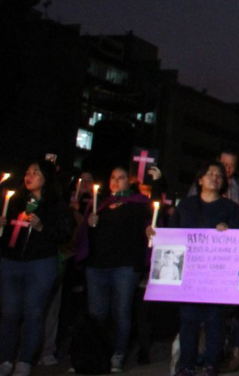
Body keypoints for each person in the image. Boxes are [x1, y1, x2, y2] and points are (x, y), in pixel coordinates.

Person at [161, 161, 239, 376]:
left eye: (219, 175)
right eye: (210, 173)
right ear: (200, 180)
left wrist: (228, 231)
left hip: (217, 277)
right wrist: (155, 235)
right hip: (190, 276)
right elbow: (172, 234)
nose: (215, 177)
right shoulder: (186, 206)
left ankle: (211, 365)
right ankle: (186, 365)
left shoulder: (230, 208)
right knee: (188, 321)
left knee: (214, 322)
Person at [0, 160, 73, 376]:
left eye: (35, 172)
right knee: (9, 313)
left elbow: (64, 235)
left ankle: (25, 360)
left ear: (46, 178)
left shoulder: (56, 206)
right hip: (10, 262)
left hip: (40, 264)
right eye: (27, 172)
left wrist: (42, 227)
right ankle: (5, 359)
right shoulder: (14, 201)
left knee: (33, 313)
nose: (29, 176)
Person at [75, 166, 150, 373]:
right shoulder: (100, 204)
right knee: (96, 313)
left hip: (125, 266)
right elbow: (85, 235)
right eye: (113, 177)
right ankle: (96, 354)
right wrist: (90, 224)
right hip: (97, 265)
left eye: (121, 178)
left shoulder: (139, 203)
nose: (116, 181)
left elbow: (151, 224)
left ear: (129, 181)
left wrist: (149, 230)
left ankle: (118, 353)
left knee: (121, 311)